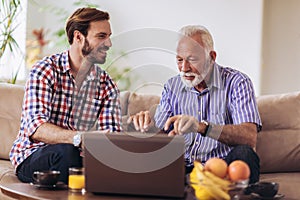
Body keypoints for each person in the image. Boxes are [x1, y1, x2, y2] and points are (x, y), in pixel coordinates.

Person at [128, 25, 262, 184]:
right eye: (179, 60)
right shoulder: (172, 86)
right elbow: (161, 133)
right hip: (183, 166)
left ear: (212, 57)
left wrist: (202, 127)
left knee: (245, 153)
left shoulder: (237, 82)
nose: (184, 68)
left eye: (192, 59)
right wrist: (147, 126)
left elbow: (249, 137)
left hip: (222, 168)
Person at [9, 7, 122, 184]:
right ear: (78, 37)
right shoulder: (45, 70)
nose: (109, 43)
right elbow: (36, 128)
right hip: (34, 155)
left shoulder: (106, 85)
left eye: (109, 36)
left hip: (81, 160)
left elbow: (111, 136)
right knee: (67, 153)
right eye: (101, 36)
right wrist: (79, 138)